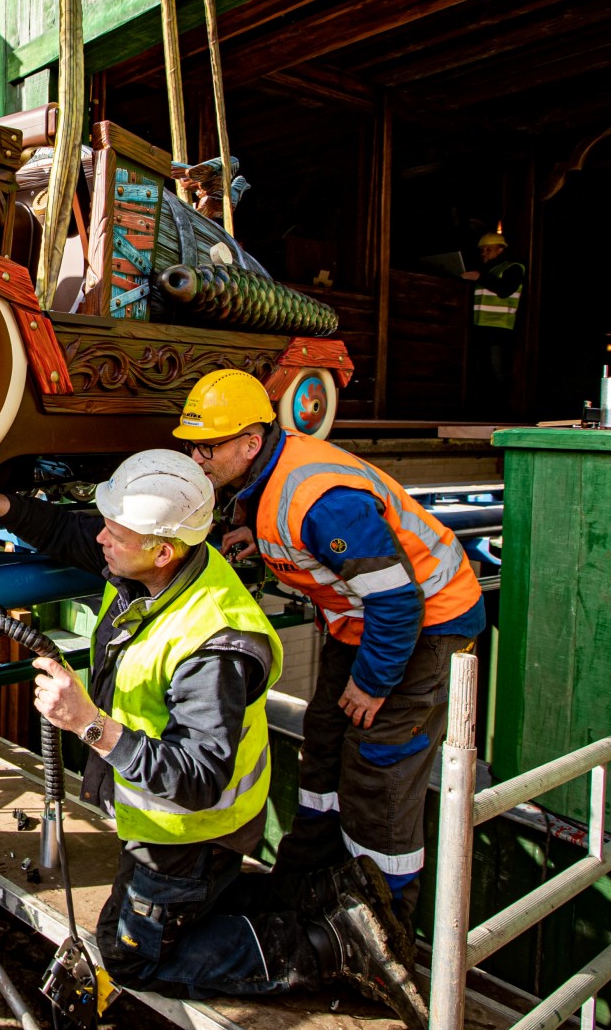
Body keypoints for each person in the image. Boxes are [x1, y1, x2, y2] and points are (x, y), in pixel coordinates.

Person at [0, 451, 427, 1027]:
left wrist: (87, 724)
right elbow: (73, 534)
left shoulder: (212, 646)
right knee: (190, 906)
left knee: (130, 955)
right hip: (181, 823)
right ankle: (323, 897)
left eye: (114, 533)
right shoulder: (162, 562)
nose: (100, 539)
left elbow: (197, 778)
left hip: (190, 828)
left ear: (161, 551)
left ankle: (330, 947)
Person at [174, 369, 485, 928]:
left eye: (208, 447)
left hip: (425, 627)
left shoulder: (323, 501)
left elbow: (398, 602)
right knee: (323, 741)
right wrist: (262, 543)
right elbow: (306, 538)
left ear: (250, 443)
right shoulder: (269, 475)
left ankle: (381, 925)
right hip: (364, 624)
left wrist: (371, 684)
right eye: (191, 445)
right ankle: (307, 886)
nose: (197, 459)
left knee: (378, 771)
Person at [461, 229, 526, 413]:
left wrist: (480, 277)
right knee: (480, 372)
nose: (484, 253)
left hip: (500, 329)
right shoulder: (485, 271)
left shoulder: (513, 268)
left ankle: (501, 411)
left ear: (500, 249)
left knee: (498, 372)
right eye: (482, 250)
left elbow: (505, 290)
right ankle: (482, 410)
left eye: (488, 249)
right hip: (481, 328)